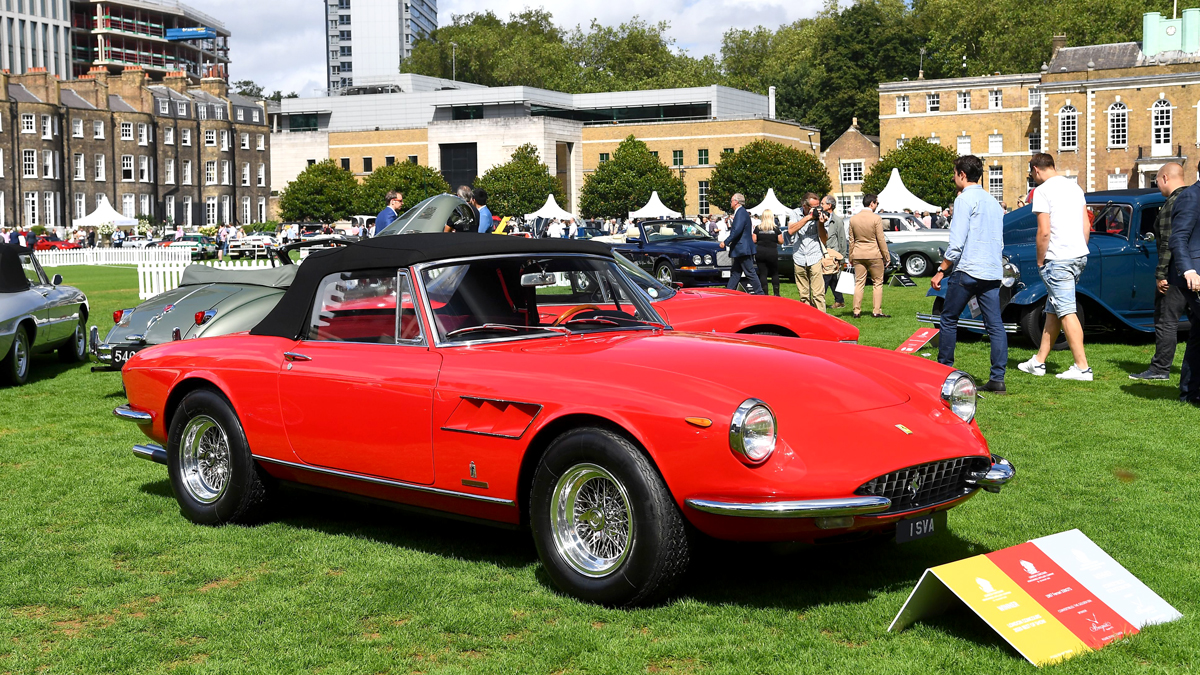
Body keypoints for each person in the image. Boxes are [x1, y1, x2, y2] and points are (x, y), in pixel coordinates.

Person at [931, 155, 1008, 394]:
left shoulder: (964, 200)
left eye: (954, 173)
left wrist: (941, 270)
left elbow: (956, 242)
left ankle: (944, 370)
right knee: (995, 325)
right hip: (992, 271)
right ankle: (998, 378)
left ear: (962, 174)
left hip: (968, 269)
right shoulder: (994, 202)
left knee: (948, 318)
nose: (954, 177)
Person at [1018, 153, 1093, 381]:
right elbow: (1086, 225)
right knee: (1054, 309)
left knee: (1066, 310)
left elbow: (1044, 232)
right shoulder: (1075, 188)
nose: (1032, 176)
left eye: (1031, 172)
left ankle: (1082, 367)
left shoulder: (1041, 191)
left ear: (1036, 170)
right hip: (1078, 254)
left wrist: (1040, 260)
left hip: (1057, 258)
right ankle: (1039, 361)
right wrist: (1079, 249)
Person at [1131, 164, 1188, 382]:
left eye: (1157, 181)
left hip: (1175, 271)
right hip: (1194, 268)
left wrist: (1162, 274)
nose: (1157, 186)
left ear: (1165, 177)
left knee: (1166, 319)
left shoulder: (1172, 204)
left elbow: (1168, 243)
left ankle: (1160, 368)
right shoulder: (1193, 198)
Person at [1167, 169, 1200, 405]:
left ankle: (1190, 393)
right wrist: (1189, 270)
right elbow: (1178, 237)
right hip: (1195, 276)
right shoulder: (1191, 196)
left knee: (1198, 336)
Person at [848, 193, 890, 318]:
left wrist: (851, 256)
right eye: (877, 203)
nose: (877, 205)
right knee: (877, 283)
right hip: (874, 254)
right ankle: (877, 311)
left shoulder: (853, 219)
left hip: (858, 254)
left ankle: (856, 311)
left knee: (859, 283)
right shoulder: (876, 218)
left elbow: (851, 240)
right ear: (872, 203)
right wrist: (886, 256)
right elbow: (881, 239)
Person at [787, 192, 828, 311]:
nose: (818, 209)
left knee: (818, 294)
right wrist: (808, 217)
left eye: (819, 206)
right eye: (814, 207)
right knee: (803, 295)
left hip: (814, 255)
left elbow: (824, 239)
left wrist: (821, 224)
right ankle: (807, 320)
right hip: (799, 256)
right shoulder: (795, 213)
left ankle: (822, 320)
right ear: (805, 206)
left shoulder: (821, 215)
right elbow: (790, 230)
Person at [720, 193, 763, 294]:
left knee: (750, 272)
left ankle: (760, 293)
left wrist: (726, 242)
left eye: (731, 200)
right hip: (741, 248)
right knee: (736, 273)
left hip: (742, 249)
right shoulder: (741, 212)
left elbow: (736, 230)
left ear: (736, 202)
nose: (730, 203)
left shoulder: (740, 213)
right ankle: (728, 293)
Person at [821, 195, 849, 308]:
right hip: (822, 252)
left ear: (829, 206)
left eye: (823, 203)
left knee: (826, 279)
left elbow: (842, 238)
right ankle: (840, 301)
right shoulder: (820, 218)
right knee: (832, 279)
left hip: (832, 255)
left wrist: (842, 257)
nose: (821, 205)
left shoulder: (837, 221)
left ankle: (818, 300)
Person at [755, 209, 783, 296]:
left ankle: (765, 293)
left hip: (760, 252)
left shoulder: (757, 228)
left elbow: (754, 239)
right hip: (772, 252)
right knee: (774, 273)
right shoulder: (776, 229)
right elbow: (781, 241)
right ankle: (776, 293)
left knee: (763, 273)